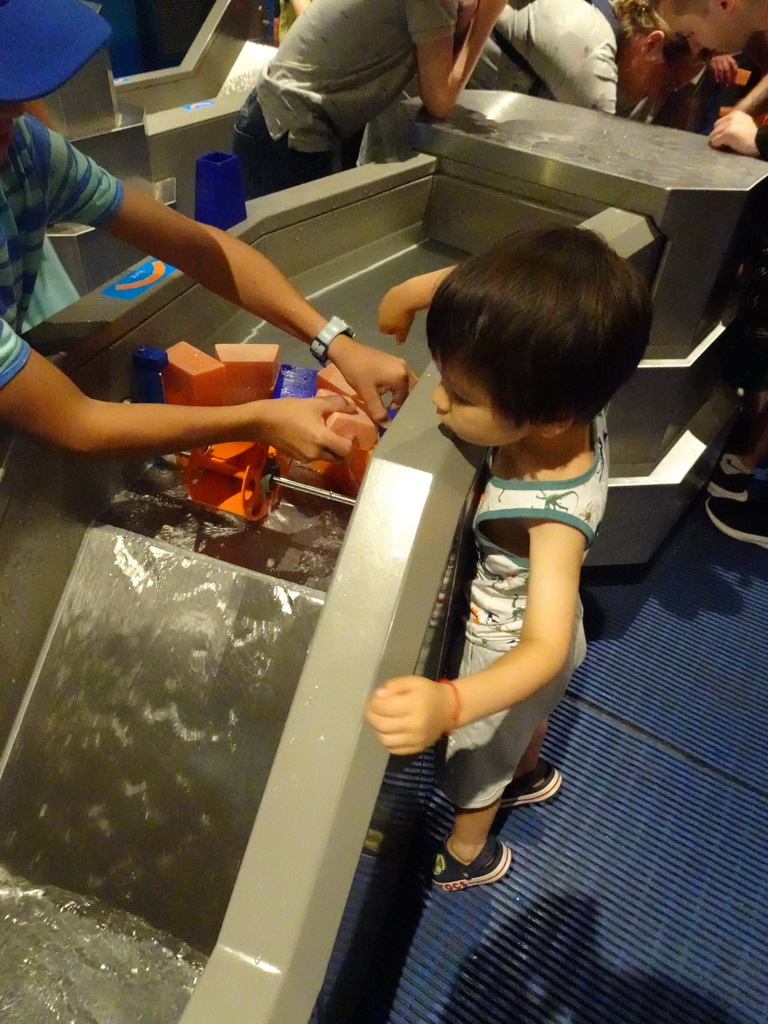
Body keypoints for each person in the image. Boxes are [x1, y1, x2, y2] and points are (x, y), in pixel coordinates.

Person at [0, 0, 413, 464]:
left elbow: (198, 246)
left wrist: (333, 340)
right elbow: (77, 421)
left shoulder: (24, 150)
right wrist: (257, 419)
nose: (16, 110)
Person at [366, 227, 652, 889]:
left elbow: (543, 650)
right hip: (555, 629)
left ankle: (471, 853)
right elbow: (502, 297)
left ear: (548, 414)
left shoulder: (552, 514)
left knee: (475, 761)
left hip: (509, 650)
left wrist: (454, 705)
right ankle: (531, 773)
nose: (438, 400)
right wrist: (411, 294)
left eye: (461, 397)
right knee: (528, 722)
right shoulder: (577, 392)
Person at [232, 0, 507, 199]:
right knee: (292, 268)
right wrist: (487, 16)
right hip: (284, 129)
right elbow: (439, 99)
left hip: (287, 120)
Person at [470, 0, 699, 117]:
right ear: (652, 44)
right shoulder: (592, 45)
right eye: (668, 85)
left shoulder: (611, 23)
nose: (656, 97)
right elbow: (600, 147)